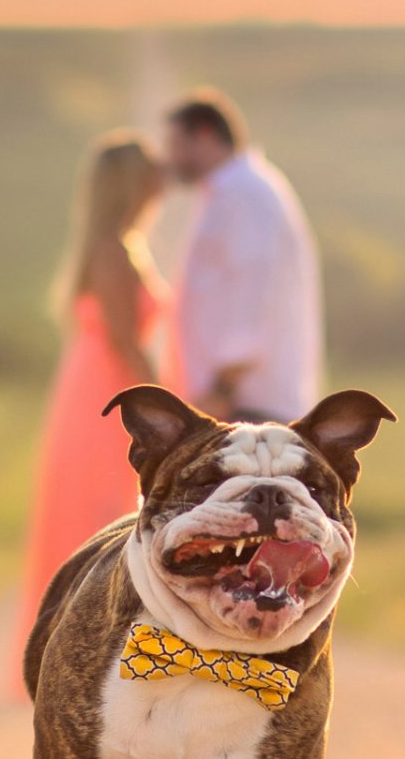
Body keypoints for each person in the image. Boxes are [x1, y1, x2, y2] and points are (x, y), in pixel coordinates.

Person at [17, 132, 173, 644]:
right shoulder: (113, 251)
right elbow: (127, 342)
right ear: (134, 185)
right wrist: (171, 412)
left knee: (103, 509)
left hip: (96, 386)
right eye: (151, 174)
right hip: (107, 393)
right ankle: (88, 644)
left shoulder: (116, 247)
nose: (162, 182)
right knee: (104, 509)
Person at [163, 90, 322, 422]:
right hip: (239, 398)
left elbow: (254, 288)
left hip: (246, 402)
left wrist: (222, 389)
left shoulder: (244, 194)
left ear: (204, 135)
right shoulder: (235, 190)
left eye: (175, 144)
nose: (170, 157)